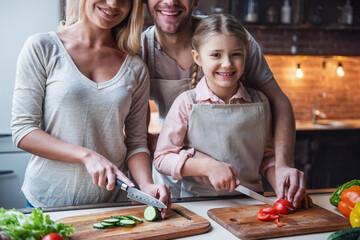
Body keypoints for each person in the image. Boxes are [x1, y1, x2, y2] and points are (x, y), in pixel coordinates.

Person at [140, 0, 309, 208]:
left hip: (248, 202)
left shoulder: (230, 36)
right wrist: (198, 162)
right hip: (187, 194)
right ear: (198, 57)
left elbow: (266, 149)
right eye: (216, 55)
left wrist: (284, 176)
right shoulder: (142, 51)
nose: (227, 63)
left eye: (236, 55)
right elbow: (138, 137)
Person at [11, 0, 170, 217]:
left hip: (111, 203)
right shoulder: (43, 47)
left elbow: (136, 142)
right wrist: (87, 156)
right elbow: (23, 132)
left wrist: (147, 185)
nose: (113, 3)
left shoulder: (135, 67)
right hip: (48, 199)